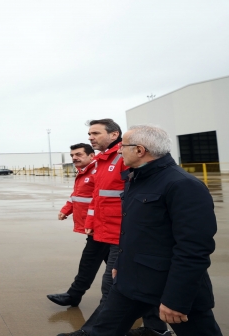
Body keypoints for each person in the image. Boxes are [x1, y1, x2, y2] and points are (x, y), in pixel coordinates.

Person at [88, 125, 222, 336]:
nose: (120, 151)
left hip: (171, 286)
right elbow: (133, 231)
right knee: (102, 331)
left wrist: (176, 300)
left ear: (140, 150)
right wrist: (120, 265)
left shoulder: (183, 185)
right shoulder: (136, 179)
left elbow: (193, 249)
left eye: (123, 146)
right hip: (130, 281)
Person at [59, 119, 168, 336]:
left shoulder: (123, 158)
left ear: (113, 134)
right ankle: (155, 329)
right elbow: (98, 199)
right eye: (89, 133)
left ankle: (92, 331)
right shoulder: (102, 160)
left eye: (96, 133)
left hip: (123, 233)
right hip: (107, 231)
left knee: (112, 286)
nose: (91, 137)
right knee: (133, 283)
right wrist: (90, 224)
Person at [47, 143, 109, 307]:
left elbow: (99, 201)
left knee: (89, 262)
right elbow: (77, 196)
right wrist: (66, 210)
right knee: (114, 265)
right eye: (72, 155)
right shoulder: (84, 172)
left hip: (100, 227)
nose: (74, 158)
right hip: (93, 228)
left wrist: (91, 222)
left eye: (79, 154)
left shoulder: (97, 172)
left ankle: (74, 295)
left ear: (91, 155)